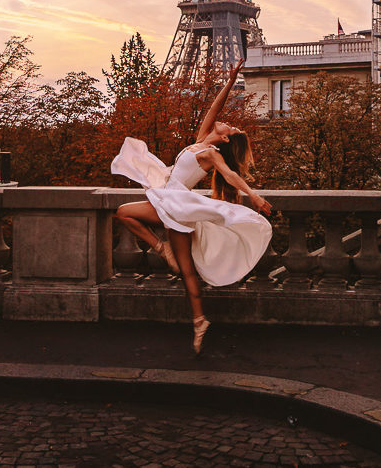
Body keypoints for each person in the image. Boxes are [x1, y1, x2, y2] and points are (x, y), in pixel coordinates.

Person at [112, 59, 273, 354]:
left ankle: (198, 321)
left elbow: (230, 175)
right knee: (129, 217)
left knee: (183, 269)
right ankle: (168, 259)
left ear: (223, 138)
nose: (227, 121)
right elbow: (215, 106)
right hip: (167, 200)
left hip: (176, 205)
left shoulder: (211, 153)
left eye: (230, 127)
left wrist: (253, 195)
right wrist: (231, 77)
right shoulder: (201, 140)